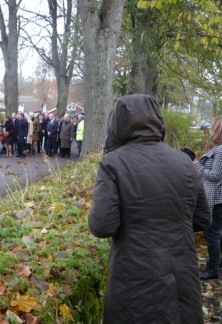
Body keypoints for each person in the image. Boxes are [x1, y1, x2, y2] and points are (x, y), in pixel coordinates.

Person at [89, 94, 211, 324]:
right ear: (157, 120)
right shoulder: (184, 161)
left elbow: (103, 225)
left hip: (135, 276)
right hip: (181, 273)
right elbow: (203, 219)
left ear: (118, 123)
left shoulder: (113, 163)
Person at [194, 116, 222, 280]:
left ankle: (213, 270)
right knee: (215, 231)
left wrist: (197, 165)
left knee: (211, 233)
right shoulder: (219, 149)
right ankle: (217, 261)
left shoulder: (220, 151)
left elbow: (216, 176)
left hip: (218, 199)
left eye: (212, 128)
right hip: (218, 198)